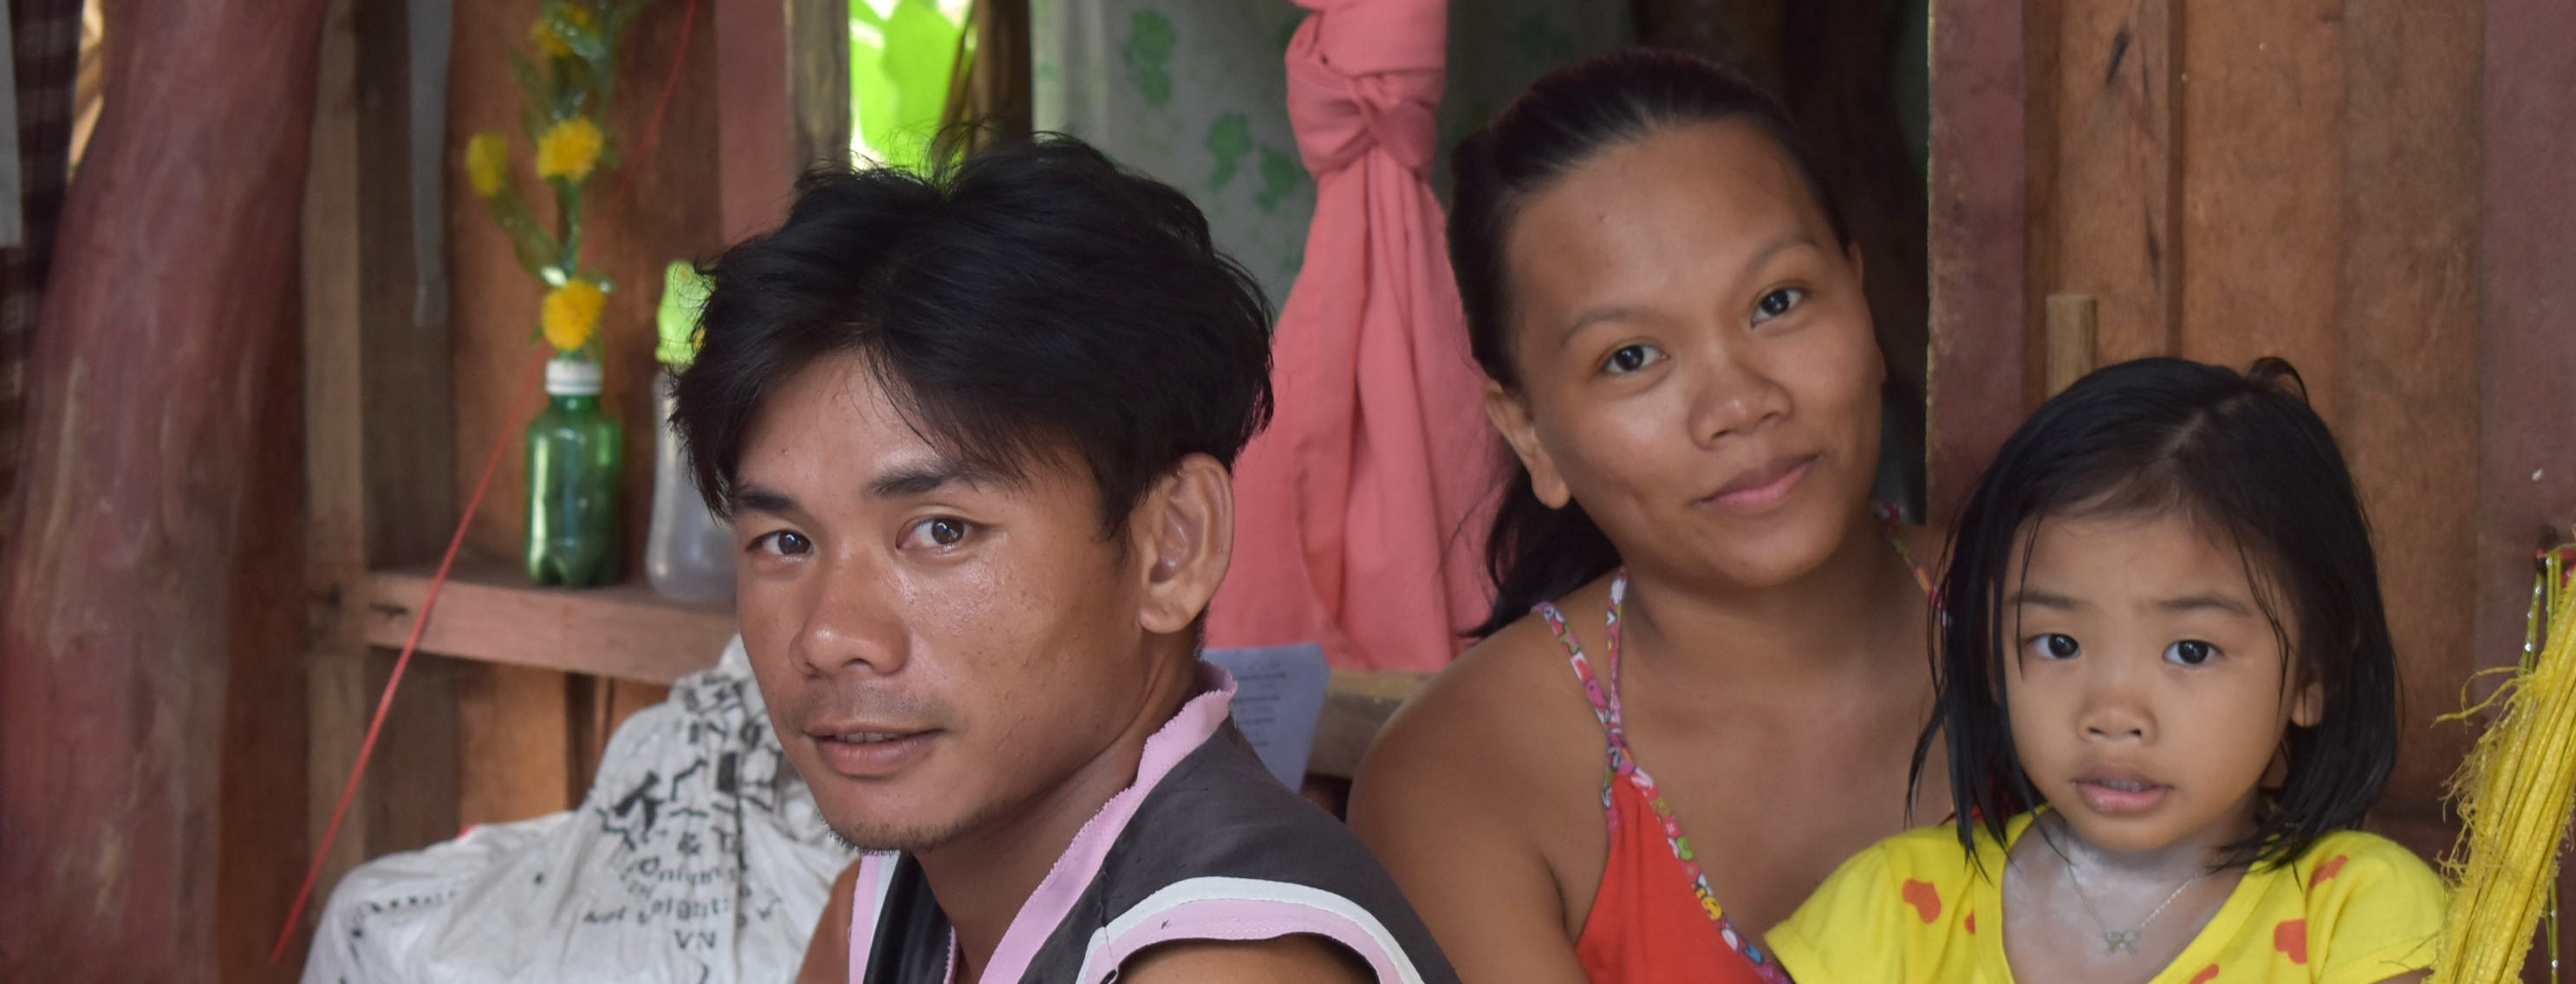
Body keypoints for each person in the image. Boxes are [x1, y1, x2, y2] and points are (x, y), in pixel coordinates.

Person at [670, 134, 1459, 984]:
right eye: (784, 542)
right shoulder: (879, 917)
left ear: (1170, 546)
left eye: (940, 531)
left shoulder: (1225, 968)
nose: (827, 636)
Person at [1349, 49, 1945, 984]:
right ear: (1529, 433)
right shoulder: (1465, 776)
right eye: (1630, 358)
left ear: (1861, 306)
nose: (1738, 402)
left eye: (1776, 302)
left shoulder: (2055, 623)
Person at [1766, 357, 2444, 982]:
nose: (2113, 713)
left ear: (2312, 674)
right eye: (2058, 643)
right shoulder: (1889, 916)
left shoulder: (2360, 917)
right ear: (1993, 660)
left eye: (2191, 651)